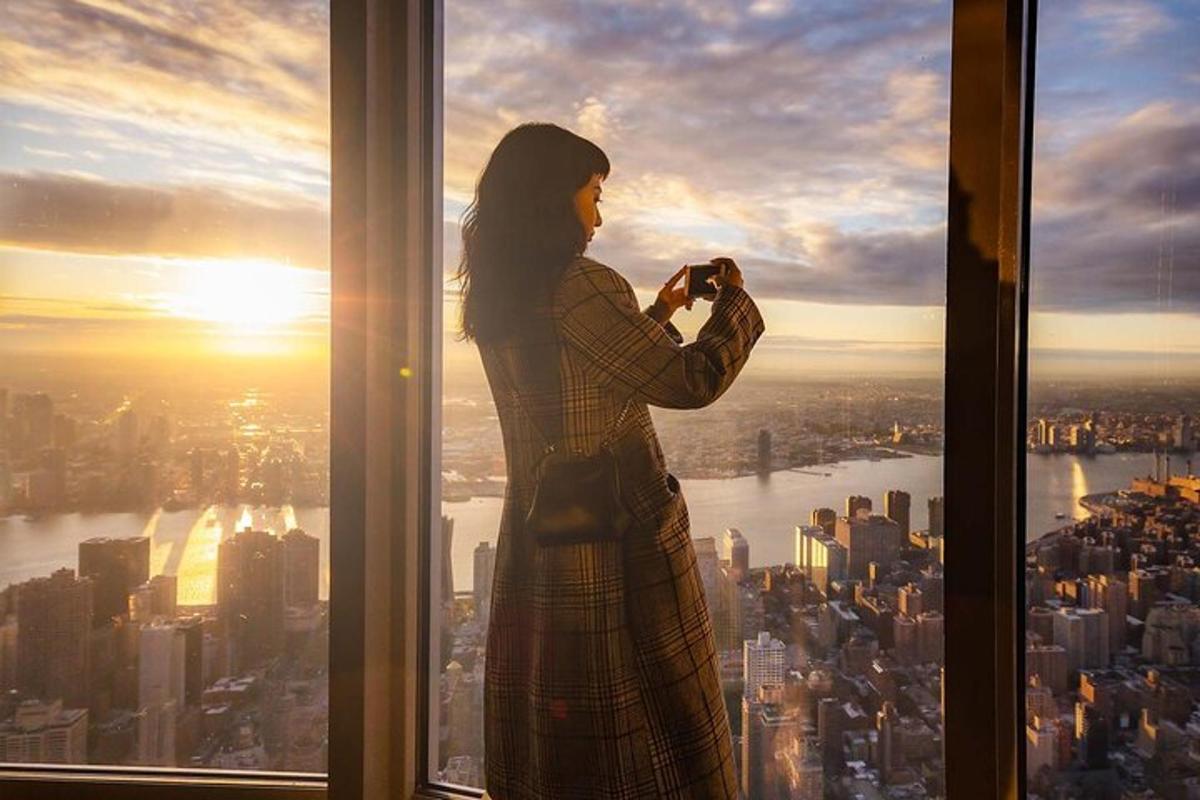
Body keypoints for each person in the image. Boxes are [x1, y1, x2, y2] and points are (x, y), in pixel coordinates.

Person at [453, 122, 765, 799]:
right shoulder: (581, 286)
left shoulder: (501, 290)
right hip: (615, 546)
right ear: (553, 196)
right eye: (593, 195)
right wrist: (733, 303)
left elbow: (582, 384)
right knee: (651, 733)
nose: (599, 215)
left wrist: (660, 308)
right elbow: (690, 381)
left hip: (543, 539)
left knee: (566, 743)